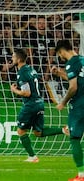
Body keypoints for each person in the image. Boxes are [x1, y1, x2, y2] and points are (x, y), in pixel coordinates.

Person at [10, 48, 68, 163]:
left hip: (30, 105)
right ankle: (63, 130)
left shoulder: (22, 72)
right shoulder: (32, 70)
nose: (12, 59)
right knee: (38, 132)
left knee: (21, 131)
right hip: (39, 103)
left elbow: (26, 93)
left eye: (13, 57)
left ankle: (32, 156)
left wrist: (14, 90)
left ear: (19, 59)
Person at [55, 40, 84, 181]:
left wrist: (63, 102)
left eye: (59, 54)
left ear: (61, 51)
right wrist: (61, 75)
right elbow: (77, 80)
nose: (60, 57)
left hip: (79, 105)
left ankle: (81, 175)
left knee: (74, 138)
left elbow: (73, 87)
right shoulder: (82, 60)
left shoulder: (71, 63)